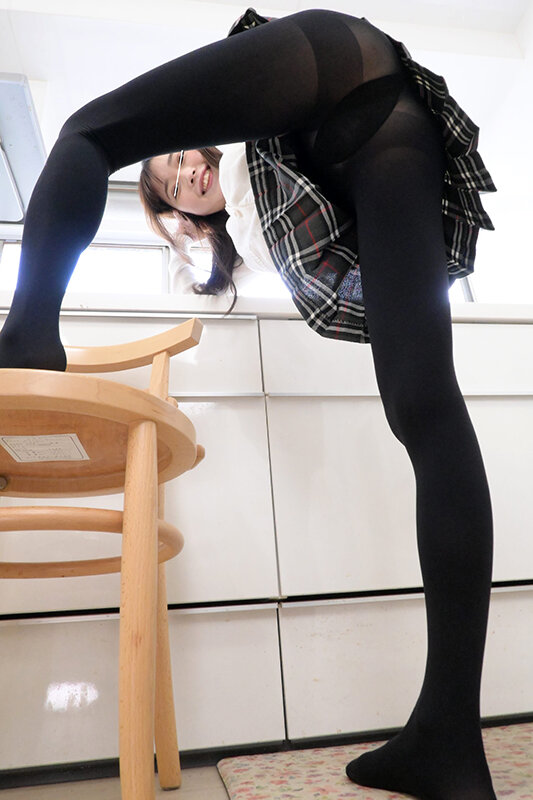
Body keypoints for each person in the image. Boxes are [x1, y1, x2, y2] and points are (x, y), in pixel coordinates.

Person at [0, 8, 497, 799]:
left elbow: (123, 142)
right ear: (190, 219)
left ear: (200, 141)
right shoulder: (263, 224)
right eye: (171, 190)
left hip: (341, 64)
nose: (183, 176)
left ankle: (25, 343)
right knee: (426, 412)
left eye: (175, 159)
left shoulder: (246, 144)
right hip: (391, 128)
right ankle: (449, 737)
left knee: (87, 133)